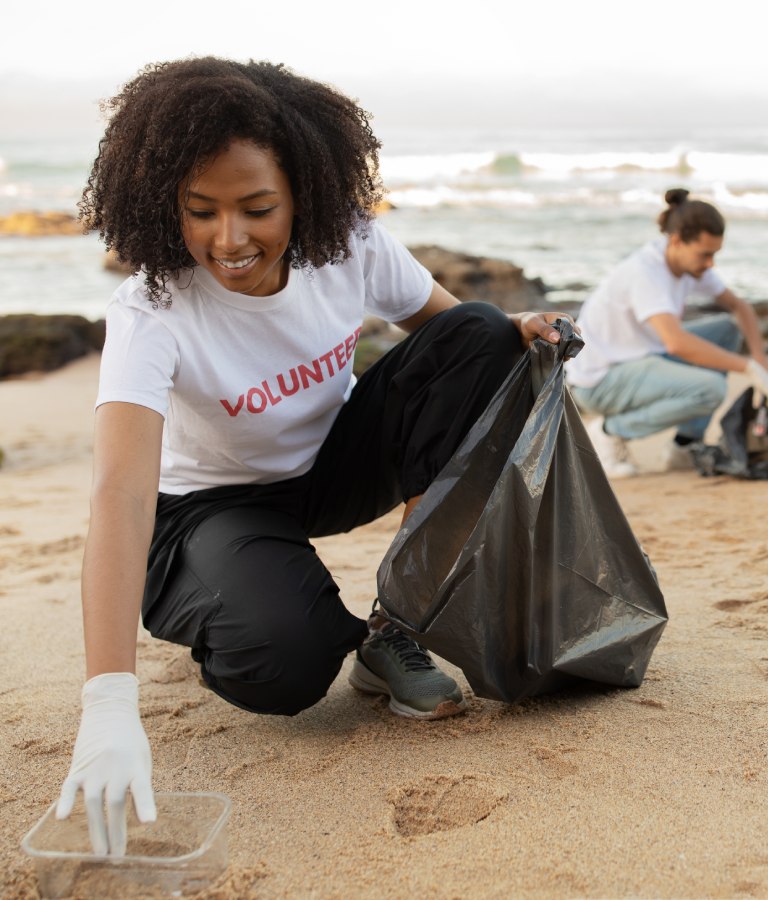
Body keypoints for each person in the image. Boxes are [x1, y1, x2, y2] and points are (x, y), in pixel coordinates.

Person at [54, 56, 573, 856]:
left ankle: (397, 625)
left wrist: (523, 328)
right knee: (288, 663)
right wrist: (108, 702)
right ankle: (254, 601)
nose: (228, 239)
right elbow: (121, 493)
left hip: (330, 467)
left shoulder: (350, 245)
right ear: (166, 205)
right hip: (212, 509)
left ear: (305, 193)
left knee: (478, 331)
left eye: (257, 208)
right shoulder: (152, 310)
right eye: (200, 211)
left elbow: (455, 337)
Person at [566, 188, 768, 478]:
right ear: (676, 241)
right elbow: (676, 343)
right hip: (599, 382)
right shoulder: (647, 272)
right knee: (710, 389)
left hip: (641, 357)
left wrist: (759, 358)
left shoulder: (689, 265)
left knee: (726, 330)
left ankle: (684, 446)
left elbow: (740, 307)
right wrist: (747, 367)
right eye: (705, 254)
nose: (711, 263)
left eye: (715, 254)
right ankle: (608, 433)